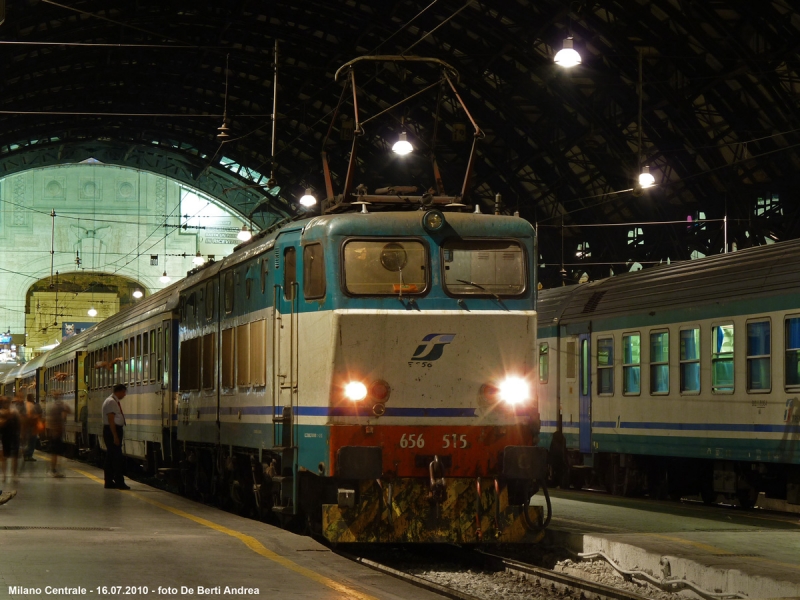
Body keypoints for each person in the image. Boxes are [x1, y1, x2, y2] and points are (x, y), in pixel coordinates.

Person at [102, 384, 129, 490]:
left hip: (111, 430)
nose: (124, 395)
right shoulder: (111, 402)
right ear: (120, 391)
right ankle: (119, 482)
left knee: (110, 457)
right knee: (117, 458)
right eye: (124, 392)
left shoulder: (112, 401)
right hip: (112, 430)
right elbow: (111, 420)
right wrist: (115, 436)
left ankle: (109, 482)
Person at [47, 392, 72, 477]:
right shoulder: (59, 406)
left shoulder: (53, 406)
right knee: (56, 453)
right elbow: (69, 411)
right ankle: (54, 471)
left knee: (56, 453)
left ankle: (54, 470)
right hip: (57, 432)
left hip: (54, 432)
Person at [22, 394, 42, 462]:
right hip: (32, 426)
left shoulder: (25, 405)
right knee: (31, 441)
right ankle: (28, 455)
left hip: (28, 426)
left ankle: (26, 455)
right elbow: (39, 414)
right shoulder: (34, 405)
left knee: (28, 441)